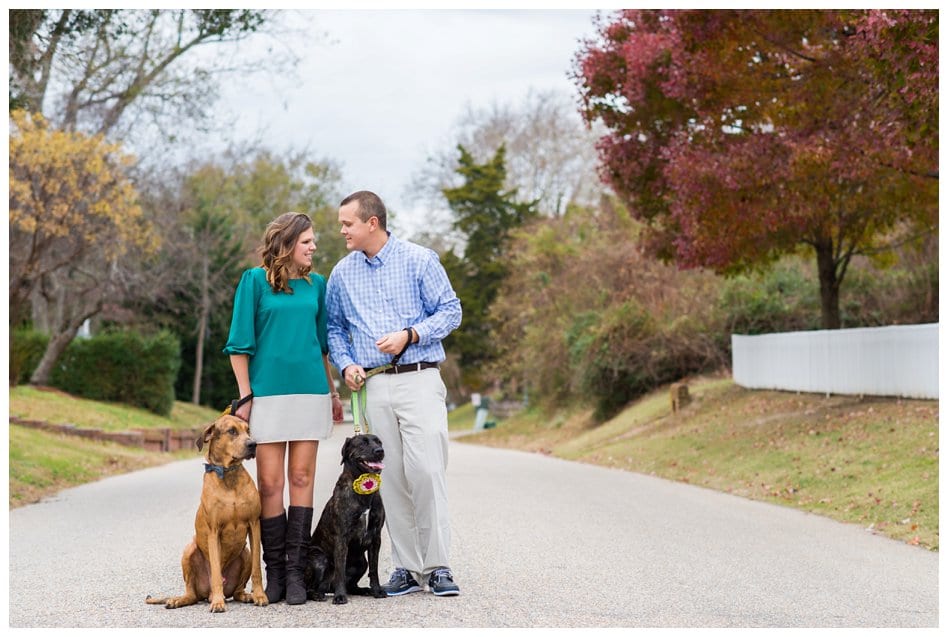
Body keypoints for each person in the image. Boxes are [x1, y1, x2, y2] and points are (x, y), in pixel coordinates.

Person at [326, 191, 463, 597]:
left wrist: (411, 334)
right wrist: (347, 363)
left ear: (373, 222)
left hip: (419, 376)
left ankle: (437, 565)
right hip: (373, 383)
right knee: (390, 477)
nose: (342, 230)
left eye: (347, 223)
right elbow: (334, 329)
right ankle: (406, 566)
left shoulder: (421, 259)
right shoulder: (341, 273)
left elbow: (451, 310)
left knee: (427, 470)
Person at [223, 211, 343, 605]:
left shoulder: (317, 285)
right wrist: (245, 397)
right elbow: (239, 345)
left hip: (309, 393)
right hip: (267, 395)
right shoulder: (254, 281)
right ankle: (273, 573)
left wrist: (333, 393)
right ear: (287, 243)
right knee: (271, 484)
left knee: (303, 479)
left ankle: (296, 573)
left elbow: (323, 345)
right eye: (307, 241)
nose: (314, 248)